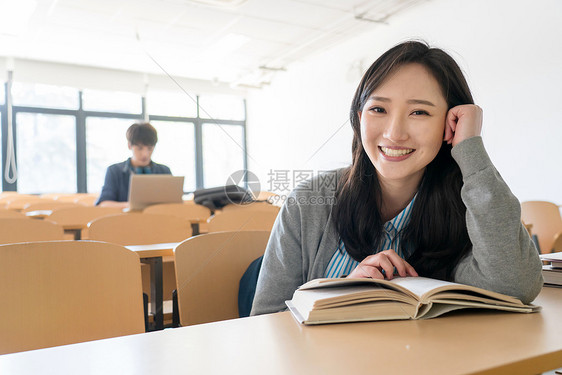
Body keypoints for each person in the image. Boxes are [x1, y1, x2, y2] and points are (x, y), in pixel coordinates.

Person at [251, 41, 543, 316]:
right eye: (378, 109)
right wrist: (337, 297)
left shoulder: (471, 204)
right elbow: (263, 324)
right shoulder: (307, 202)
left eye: (419, 111)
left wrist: (470, 149)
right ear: (359, 117)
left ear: (450, 123)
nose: (394, 133)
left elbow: (514, 287)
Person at [95, 122, 171, 208]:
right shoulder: (114, 171)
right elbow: (104, 204)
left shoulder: (164, 171)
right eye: (139, 148)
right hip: (125, 220)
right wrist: (131, 206)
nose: (145, 154)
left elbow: (174, 204)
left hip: (158, 220)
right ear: (129, 145)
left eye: (150, 148)